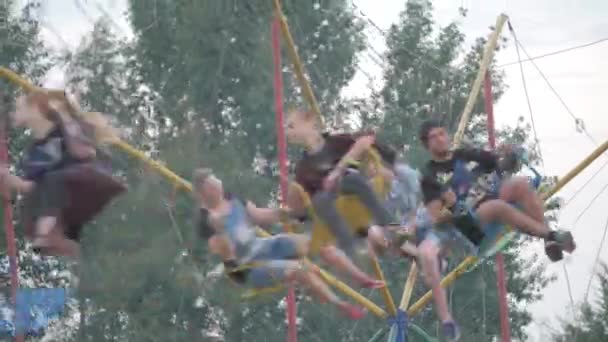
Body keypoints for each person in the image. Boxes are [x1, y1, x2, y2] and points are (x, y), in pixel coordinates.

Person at [416, 119, 576, 341]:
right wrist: (454, 207)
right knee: (495, 207)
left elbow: (501, 162)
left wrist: (512, 152)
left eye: (443, 133)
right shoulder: (429, 175)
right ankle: (549, 234)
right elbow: (435, 217)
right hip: (471, 227)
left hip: (491, 199)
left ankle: (549, 240)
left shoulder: (465, 154)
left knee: (520, 183)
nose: (442, 139)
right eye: (435, 136)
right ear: (426, 144)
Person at [192, 168, 366, 320]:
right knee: (300, 270)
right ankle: (340, 304)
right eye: (211, 184)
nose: (217, 184)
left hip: (261, 246)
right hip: (247, 267)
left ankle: (350, 269)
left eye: (216, 180)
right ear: (203, 193)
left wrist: (291, 214)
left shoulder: (232, 199)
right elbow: (223, 254)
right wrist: (222, 232)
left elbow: (260, 215)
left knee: (308, 241)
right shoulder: (205, 221)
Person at [0, 91, 126, 259]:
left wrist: (64, 115)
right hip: (73, 197)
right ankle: (63, 238)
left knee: (54, 180)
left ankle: (49, 234)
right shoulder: (35, 152)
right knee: (38, 202)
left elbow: (84, 152)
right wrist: (10, 180)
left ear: (36, 108)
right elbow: (34, 189)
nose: (13, 113)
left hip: (92, 179)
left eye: (18, 108)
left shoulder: (67, 128)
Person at [285, 109, 398, 288]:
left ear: (309, 122)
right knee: (323, 204)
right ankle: (357, 255)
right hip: (342, 214)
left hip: (357, 195)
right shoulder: (303, 170)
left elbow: (367, 140)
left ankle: (390, 229)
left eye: (291, 126)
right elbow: (304, 210)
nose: (287, 132)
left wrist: (341, 168)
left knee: (352, 179)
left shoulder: (336, 142)